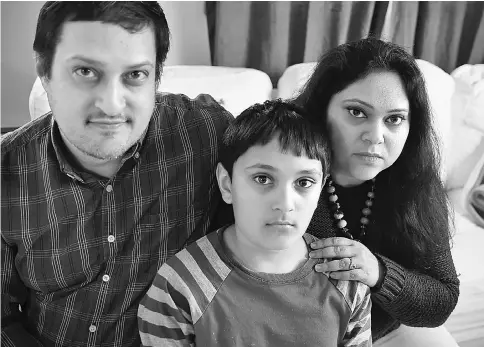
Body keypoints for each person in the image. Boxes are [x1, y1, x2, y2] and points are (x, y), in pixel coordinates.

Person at [1, 2, 233, 346]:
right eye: (85, 71)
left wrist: (330, 250)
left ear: (157, 75)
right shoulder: (6, 173)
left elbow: (290, 175)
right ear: (44, 70)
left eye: (135, 75)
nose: (111, 105)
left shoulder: (206, 133)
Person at [138, 100, 373, 347]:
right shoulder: (180, 285)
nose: (285, 203)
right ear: (227, 184)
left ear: (321, 189)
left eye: (304, 182)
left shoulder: (347, 282)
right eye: (263, 178)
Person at [295, 37, 460, 347]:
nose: (375, 136)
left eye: (394, 119)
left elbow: (443, 298)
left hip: (386, 329)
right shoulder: (286, 167)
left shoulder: (417, 182)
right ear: (322, 109)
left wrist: (379, 273)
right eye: (357, 112)